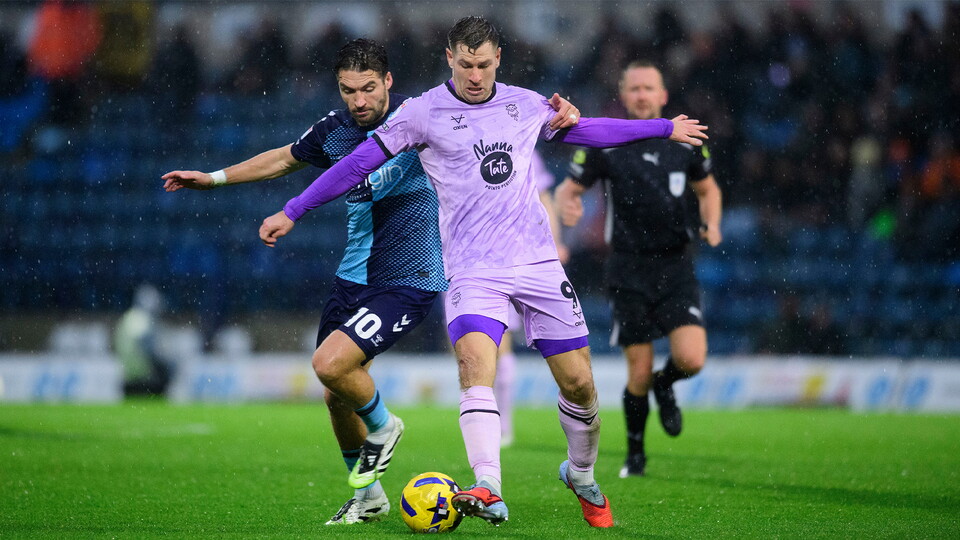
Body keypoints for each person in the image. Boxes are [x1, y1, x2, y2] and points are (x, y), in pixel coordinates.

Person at [259, 17, 707, 528]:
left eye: (485, 65)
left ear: (499, 60)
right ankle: (488, 486)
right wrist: (294, 209)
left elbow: (585, 131)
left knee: (580, 384)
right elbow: (358, 163)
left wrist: (663, 128)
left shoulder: (524, 104)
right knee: (475, 367)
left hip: (537, 264)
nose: (475, 76)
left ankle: (580, 474)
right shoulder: (421, 113)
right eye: (466, 64)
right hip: (472, 271)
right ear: (449, 57)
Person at [162, 39, 581, 526]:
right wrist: (213, 178)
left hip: (410, 276)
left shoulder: (422, 118)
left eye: (367, 88)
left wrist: (560, 116)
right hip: (353, 277)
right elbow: (283, 158)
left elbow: (498, 128)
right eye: (348, 91)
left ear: (387, 82)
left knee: (330, 363)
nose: (359, 101)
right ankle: (369, 496)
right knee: (334, 390)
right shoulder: (336, 131)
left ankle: (384, 426)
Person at [555, 60, 723, 478]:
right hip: (627, 269)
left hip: (676, 265)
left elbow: (708, 189)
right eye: (635, 88)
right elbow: (568, 188)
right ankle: (635, 456)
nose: (642, 95)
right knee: (639, 370)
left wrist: (713, 223)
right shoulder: (607, 141)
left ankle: (667, 384)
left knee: (692, 358)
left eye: (649, 88)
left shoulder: (685, 140)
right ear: (624, 95)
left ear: (663, 95)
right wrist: (568, 205)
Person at [495, 149, 567, 448]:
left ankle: (501, 427)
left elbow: (543, 196)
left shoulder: (521, 142)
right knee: (467, 349)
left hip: (513, 256)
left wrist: (556, 241)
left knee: (498, 343)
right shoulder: (449, 134)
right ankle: (485, 422)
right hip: (462, 256)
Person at [114, 284, 171, 396]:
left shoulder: (128, 317)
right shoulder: (144, 320)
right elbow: (147, 347)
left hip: (127, 375)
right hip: (145, 378)